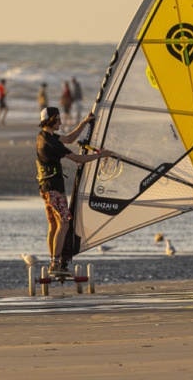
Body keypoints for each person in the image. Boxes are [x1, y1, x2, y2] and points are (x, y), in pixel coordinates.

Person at [36, 107, 113, 274]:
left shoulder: (43, 137)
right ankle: (55, 264)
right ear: (51, 120)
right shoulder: (52, 143)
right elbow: (79, 159)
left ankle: (53, 261)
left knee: (53, 225)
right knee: (64, 223)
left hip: (45, 188)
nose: (61, 122)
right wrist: (101, 155)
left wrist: (83, 123)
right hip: (54, 188)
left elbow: (70, 139)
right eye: (58, 119)